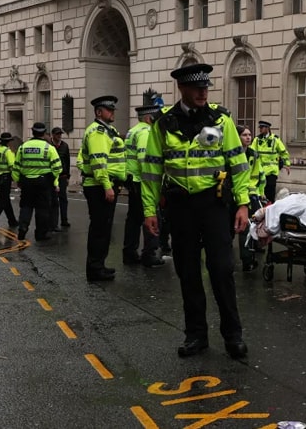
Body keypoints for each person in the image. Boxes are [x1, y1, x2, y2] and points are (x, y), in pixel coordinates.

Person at [141, 63, 250, 359]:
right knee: (187, 272)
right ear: (182, 89)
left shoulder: (221, 120)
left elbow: (238, 164)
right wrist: (149, 210)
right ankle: (196, 335)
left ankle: (233, 335)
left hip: (214, 204)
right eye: (197, 88)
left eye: (206, 87)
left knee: (222, 269)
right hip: (180, 206)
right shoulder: (163, 124)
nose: (203, 92)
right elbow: (151, 170)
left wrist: (242, 203)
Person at [78, 95, 126, 282]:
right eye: (109, 109)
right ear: (99, 112)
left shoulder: (108, 130)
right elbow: (99, 162)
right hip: (99, 185)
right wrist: (107, 186)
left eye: (113, 109)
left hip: (104, 184)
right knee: (99, 228)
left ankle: (99, 265)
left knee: (103, 228)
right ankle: (95, 269)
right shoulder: (98, 131)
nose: (113, 112)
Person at [122, 105, 163, 268]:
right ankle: (149, 254)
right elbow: (145, 159)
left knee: (133, 219)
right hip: (142, 181)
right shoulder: (146, 132)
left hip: (133, 179)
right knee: (151, 216)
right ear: (148, 118)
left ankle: (130, 252)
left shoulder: (133, 131)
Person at [13, 123, 62, 242]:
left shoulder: (23, 147)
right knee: (42, 209)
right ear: (44, 133)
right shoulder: (49, 147)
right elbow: (57, 167)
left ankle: (23, 228)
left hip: (26, 182)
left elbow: (16, 167)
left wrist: (18, 181)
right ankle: (40, 234)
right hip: (43, 182)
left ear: (32, 132)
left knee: (26, 206)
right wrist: (53, 181)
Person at [234, 124, 264, 271]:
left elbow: (256, 176)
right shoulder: (232, 153)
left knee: (247, 228)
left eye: (249, 135)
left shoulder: (253, 154)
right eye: (244, 135)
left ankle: (247, 260)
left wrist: (256, 193)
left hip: (248, 196)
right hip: (231, 196)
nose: (248, 137)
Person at [251, 120, 290, 202]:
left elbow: (283, 152)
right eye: (260, 127)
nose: (260, 129)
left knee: (270, 192)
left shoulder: (275, 139)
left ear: (267, 128)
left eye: (262, 127)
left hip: (272, 171)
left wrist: (287, 164)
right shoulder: (257, 140)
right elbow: (251, 152)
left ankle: (270, 208)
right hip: (260, 171)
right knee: (261, 193)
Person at [50, 127, 71, 230]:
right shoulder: (49, 146)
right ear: (53, 135)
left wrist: (68, 176)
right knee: (53, 200)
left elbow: (67, 161)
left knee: (63, 199)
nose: (59, 136)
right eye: (57, 134)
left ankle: (64, 220)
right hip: (52, 176)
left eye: (60, 134)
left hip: (62, 176)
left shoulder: (64, 146)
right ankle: (53, 223)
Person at [0, 132, 19, 228]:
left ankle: (12, 220)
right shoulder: (8, 152)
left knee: (5, 200)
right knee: (3, 200)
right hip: (5, 178)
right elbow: (12, 167)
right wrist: (17, 179)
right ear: (8, 142)